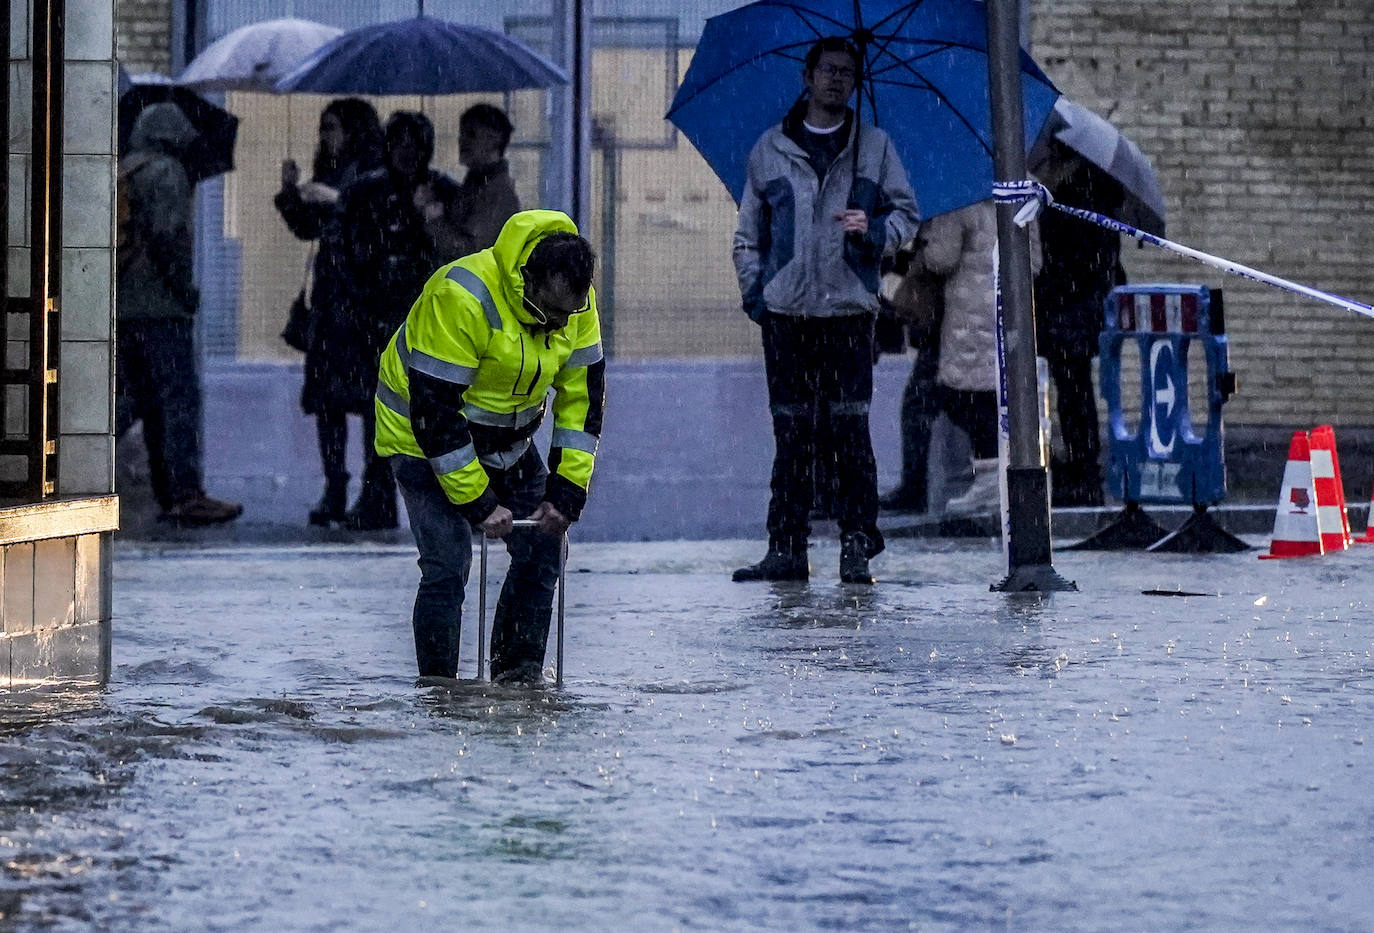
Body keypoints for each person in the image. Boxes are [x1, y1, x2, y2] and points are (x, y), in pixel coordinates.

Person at [374, 210, 604, 685]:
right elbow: (434, 414)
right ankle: (438, 688)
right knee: (448, 561)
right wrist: (478, 503)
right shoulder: (461, 296)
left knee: (546, 545)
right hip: (419, 439)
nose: (560, 324)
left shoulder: (576, 306)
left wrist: (565, 494)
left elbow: (581, 405)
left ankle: (517, 675)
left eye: (571, 312)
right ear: (528, 281)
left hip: (508, 443)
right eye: (550, 312)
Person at [731, 37, 919, 584]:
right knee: (791, 434)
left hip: (850, 314)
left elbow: (908, 214)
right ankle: (786, 547)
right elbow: (749, 234)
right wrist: (757, 296)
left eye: (847, 73)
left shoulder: (875, 147)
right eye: (828, 70)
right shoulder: (770, 148)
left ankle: (856, 545)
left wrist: (878, 231)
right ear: (807, 76)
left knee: (850, 433)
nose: (838, 80)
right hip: (787, 316)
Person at [336, 111, 464, 531]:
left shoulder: (442, 191)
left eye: (416, 145)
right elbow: (346, 253)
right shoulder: (365, 191)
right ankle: (377, 495)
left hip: (427, 317)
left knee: (433, 408)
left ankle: (447, 495)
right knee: (383, 412)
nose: (407, 154)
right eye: (399, 144)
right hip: (377, 317)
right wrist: (364, 302)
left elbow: (455, 252)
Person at [116, 102, 242, 526]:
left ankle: (163, 490)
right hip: (161, 308)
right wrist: (185, 291)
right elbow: (168, 237)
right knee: (178, 400)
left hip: (124, 306)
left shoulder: (124, 169)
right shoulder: (167, 171)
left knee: (140, 400)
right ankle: (185, 493)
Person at [274, 98, 384, 527]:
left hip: (361, 304)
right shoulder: (334, 171)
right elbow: (310, 229)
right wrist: (292, 193)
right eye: (323, 128)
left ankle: (374, 492)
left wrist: (335, 198)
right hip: (330, 300)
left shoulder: (373, 174)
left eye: (333, 128)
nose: (325, 137)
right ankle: (335, 485)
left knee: (370, 401)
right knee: (327, 401)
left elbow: (371, 220)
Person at [908, 200, 1041, 518]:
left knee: (961, 396)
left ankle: (989, 476)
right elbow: (1034, 261)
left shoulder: (959, 199)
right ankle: (997, 472)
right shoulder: (1023, 190)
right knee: (993, 392)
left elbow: (942, 258)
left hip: (968, 310)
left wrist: (928, 238)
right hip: (1009, 303)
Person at [1033, 147, 1126, 507]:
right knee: (1072, 388)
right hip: (1071, 304)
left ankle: (1081, 470)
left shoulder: (1083, 191)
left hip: (1071, 305)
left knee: (1073, 390)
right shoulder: (1082, 189)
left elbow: (1079, 256)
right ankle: (1076, 467)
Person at [440, 103, 522, 259]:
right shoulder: (474, 186)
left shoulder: (498, 194)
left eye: (471, 134)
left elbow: (470, 253)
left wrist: (434, 221)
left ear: (494, 139)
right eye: (462, 134)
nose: (462, 141)